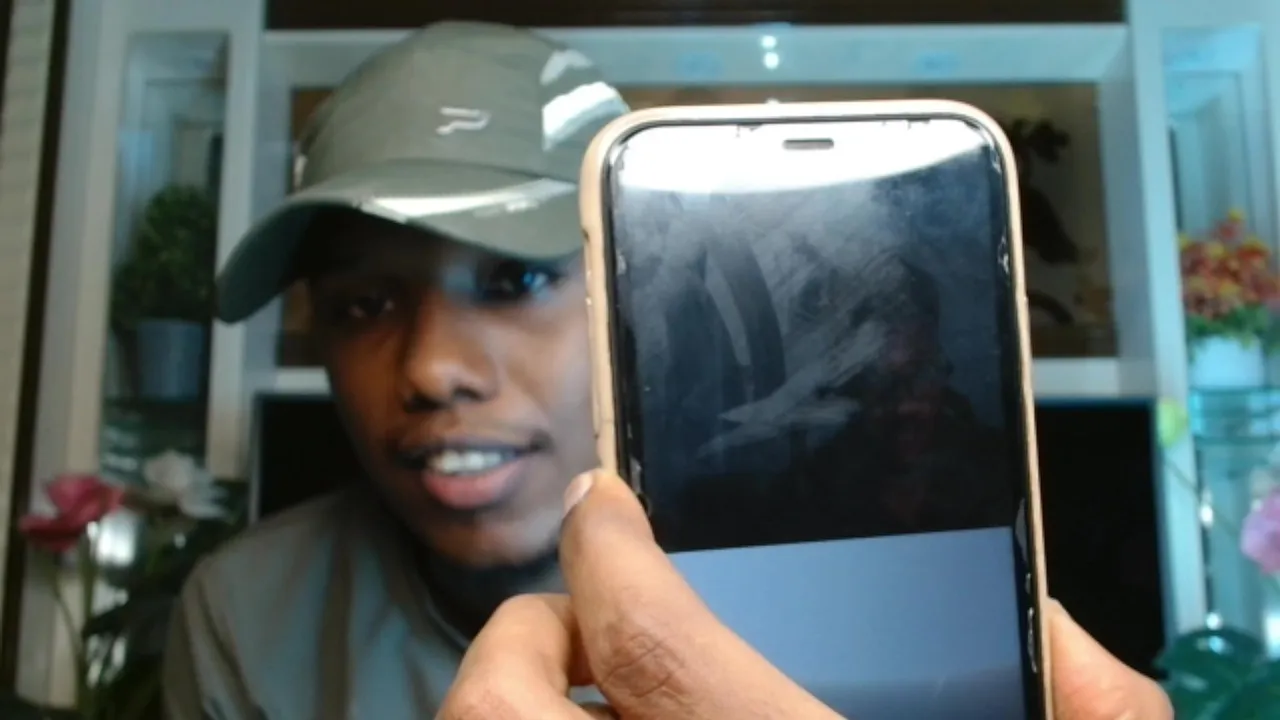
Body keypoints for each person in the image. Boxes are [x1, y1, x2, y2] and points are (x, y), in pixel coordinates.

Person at [163, 20, 1173, 720]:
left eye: (516, 278)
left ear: (632, 294)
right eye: (361, 305)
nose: (430, 369)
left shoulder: (828, 584)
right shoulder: (245, 614)